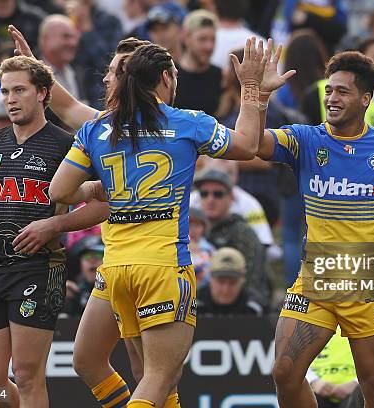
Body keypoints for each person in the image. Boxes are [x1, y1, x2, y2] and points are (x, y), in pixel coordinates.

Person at [48, 38, 292, 407]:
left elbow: (60, 190)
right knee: (158, 378)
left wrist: (103, 187)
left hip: (115, 269)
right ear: (165, 76)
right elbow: (246, 145)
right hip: (163, 267)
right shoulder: (187, 123)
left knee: (156, 381)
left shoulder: (99, 129)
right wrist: (253, 91)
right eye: (174, 75)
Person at [257, 51, 374, 407]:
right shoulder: (306, 139)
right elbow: (254, 144)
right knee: (285, 372)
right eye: (329, 91)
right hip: (315, 278)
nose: (332, 99)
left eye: (343, 92)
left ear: (366, 99)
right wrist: (258, 97)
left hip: (367, 283)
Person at [9, 27, 150, 405]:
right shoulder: (108, 125)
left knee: (147, 371)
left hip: (153, 260)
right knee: (87, 359)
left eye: (115, 72)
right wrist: (35, 67)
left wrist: (255, 96)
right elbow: (68, 108)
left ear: (136, 79)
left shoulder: (167, 128)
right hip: (114, 259)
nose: (105, 78)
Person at [0, 55, 73, 407]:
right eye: (6, 91)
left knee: (27, 373)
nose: (10, 99)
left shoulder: (65, 145)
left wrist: (55, 223)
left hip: (40, 266)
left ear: (42, 94)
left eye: (20, 90)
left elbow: (102, 200)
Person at [194, 168, 271, 305]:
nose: (210, 200)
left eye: (218, 194)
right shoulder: (191, 233)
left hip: (240, 313)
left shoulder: (243, 233)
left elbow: (254, 285)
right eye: (204, 194)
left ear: (231, 198)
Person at [175, 9, 222, 115]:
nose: (209, 46)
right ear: (186, 37)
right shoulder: (170, 75)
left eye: (213, 39)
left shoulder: (221, 77)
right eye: (202, 39)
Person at [196, 247, 266, 316]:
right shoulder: (193, 304)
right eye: (221, 282)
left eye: (233, 283)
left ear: (243, 279)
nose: (225, 290)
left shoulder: (256, 308)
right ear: (210, 277)